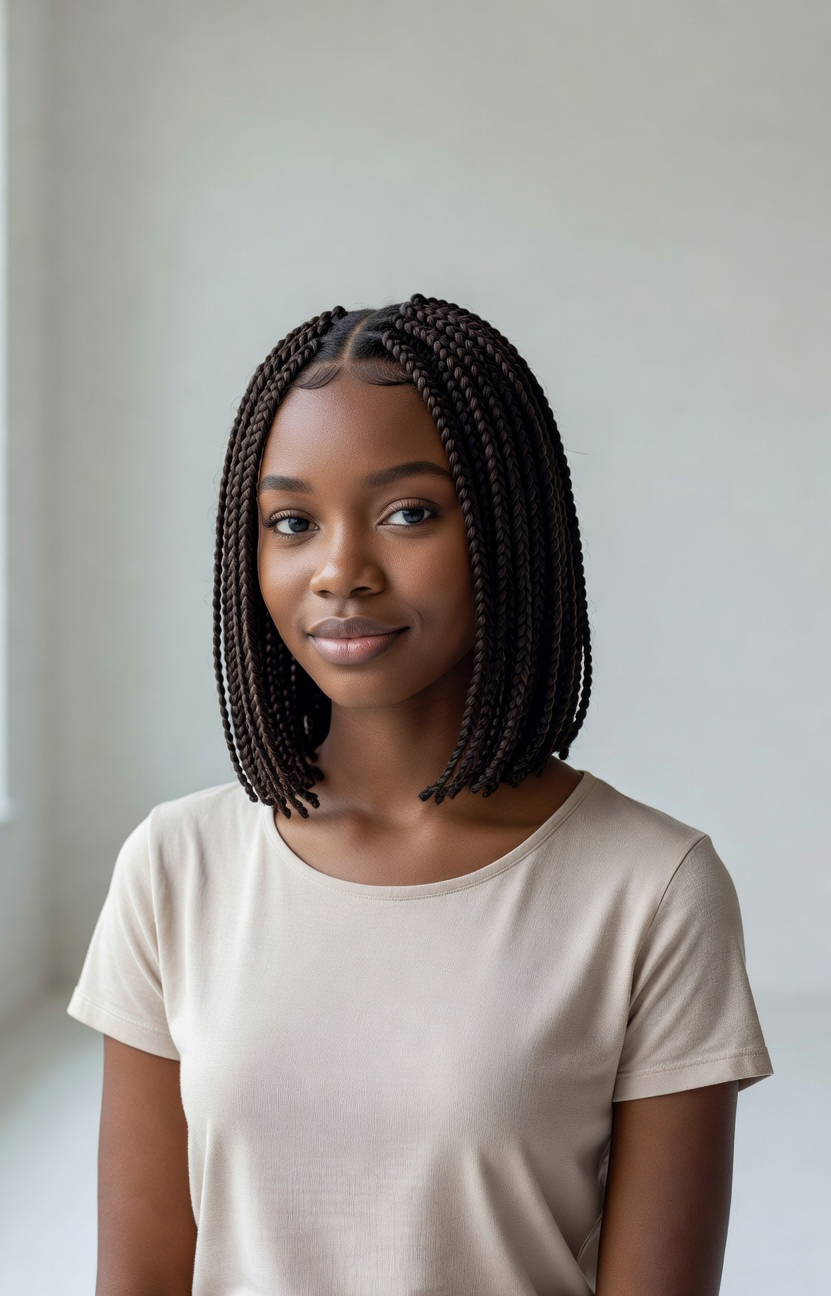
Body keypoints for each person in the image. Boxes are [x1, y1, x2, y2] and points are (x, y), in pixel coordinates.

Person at [67, 295, 774, 1296]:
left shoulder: (651, 889)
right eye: (293, 522)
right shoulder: (175, 867)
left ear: (506, 528)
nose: (340, 571)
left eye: (409, 513)